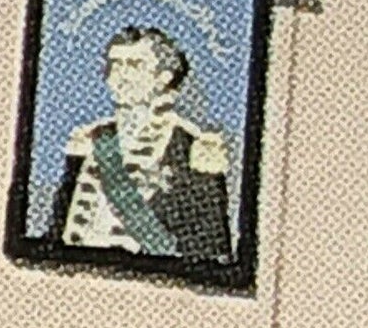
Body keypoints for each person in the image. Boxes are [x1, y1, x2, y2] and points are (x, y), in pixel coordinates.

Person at [50, 25, 232, 261]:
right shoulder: (89, 141)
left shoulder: (190, 148)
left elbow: (207, 249)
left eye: (135, 66)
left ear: (163, 78)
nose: (121, 77)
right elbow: (57, 231)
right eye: (116, 65)